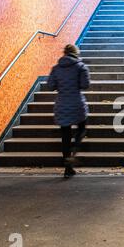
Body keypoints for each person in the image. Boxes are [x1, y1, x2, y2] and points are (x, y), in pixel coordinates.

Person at [47, 44, 90, 178]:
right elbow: (85, 85)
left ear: (64, 53)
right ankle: (74, 151)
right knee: (82, 128)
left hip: (61, 105)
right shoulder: (81, 67)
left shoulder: (56, 68)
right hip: (77, 103)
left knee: (65, 135)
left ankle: (67, 167)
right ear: (76, 53)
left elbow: (50, 86)